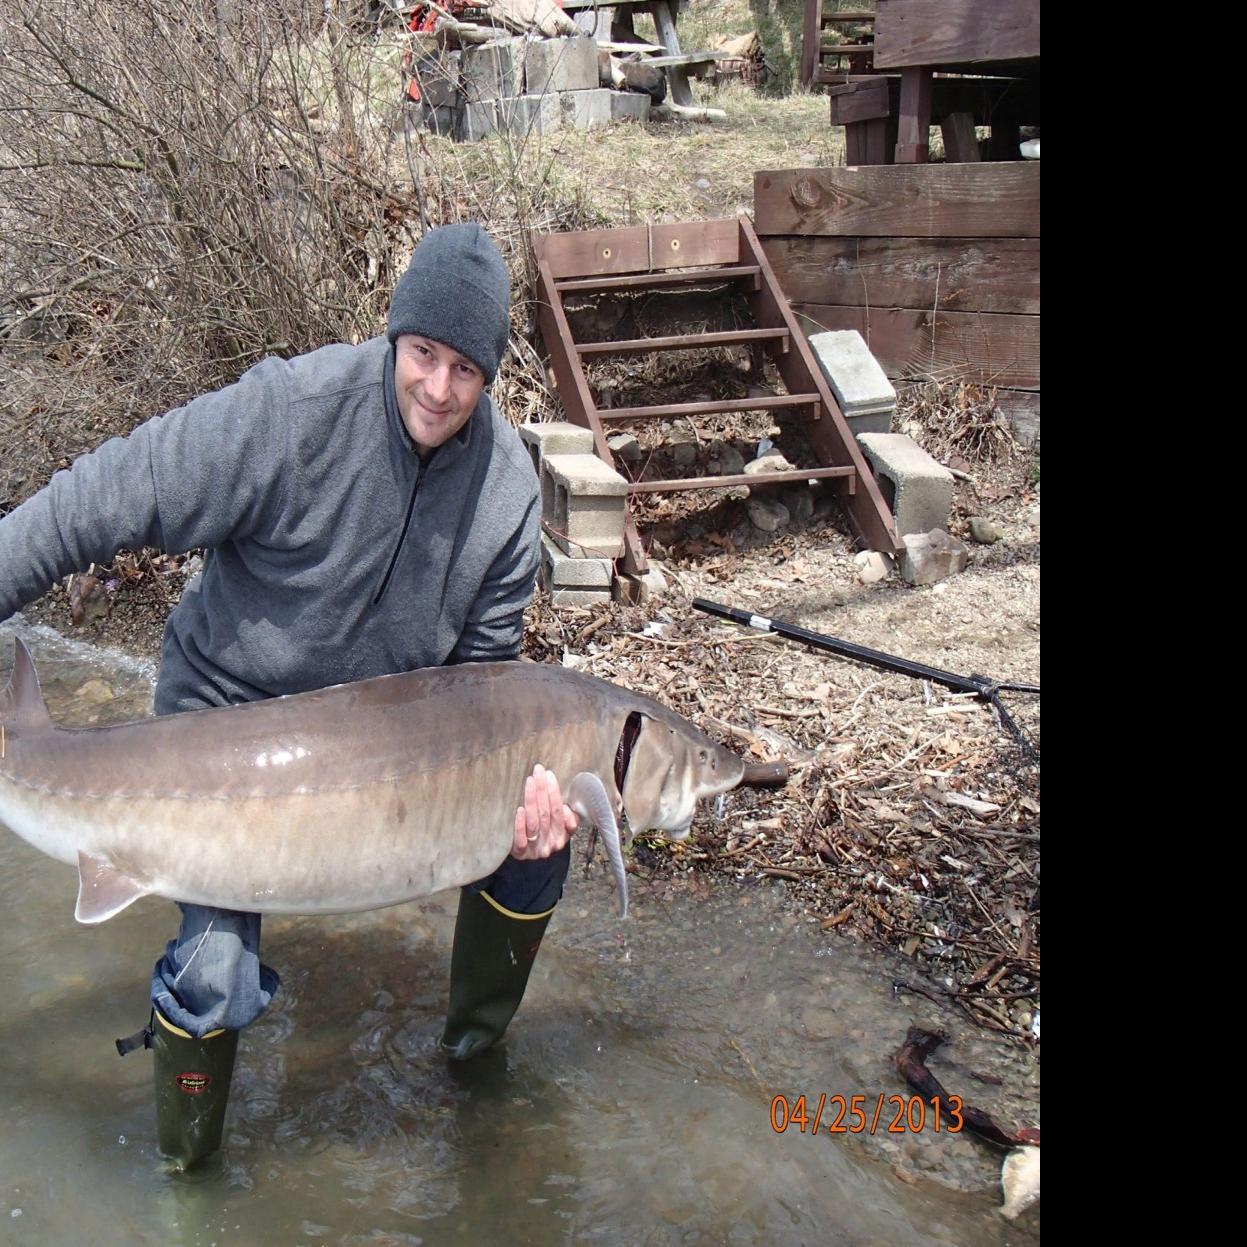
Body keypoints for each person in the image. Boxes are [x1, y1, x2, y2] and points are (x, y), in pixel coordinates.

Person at [0, 221, 579, 1170]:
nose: (438, 389)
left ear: (491, 376)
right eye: (423, 354)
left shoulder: (507, 494)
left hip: (385, 751)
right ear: (395, 336)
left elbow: (482, 689)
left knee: (537, 850)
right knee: (213, 970)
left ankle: (473, 1071)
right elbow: (94, 499)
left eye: (466, 370)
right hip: (222, 718)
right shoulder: (289, 413)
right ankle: (187, 1181)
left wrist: (504, 811)